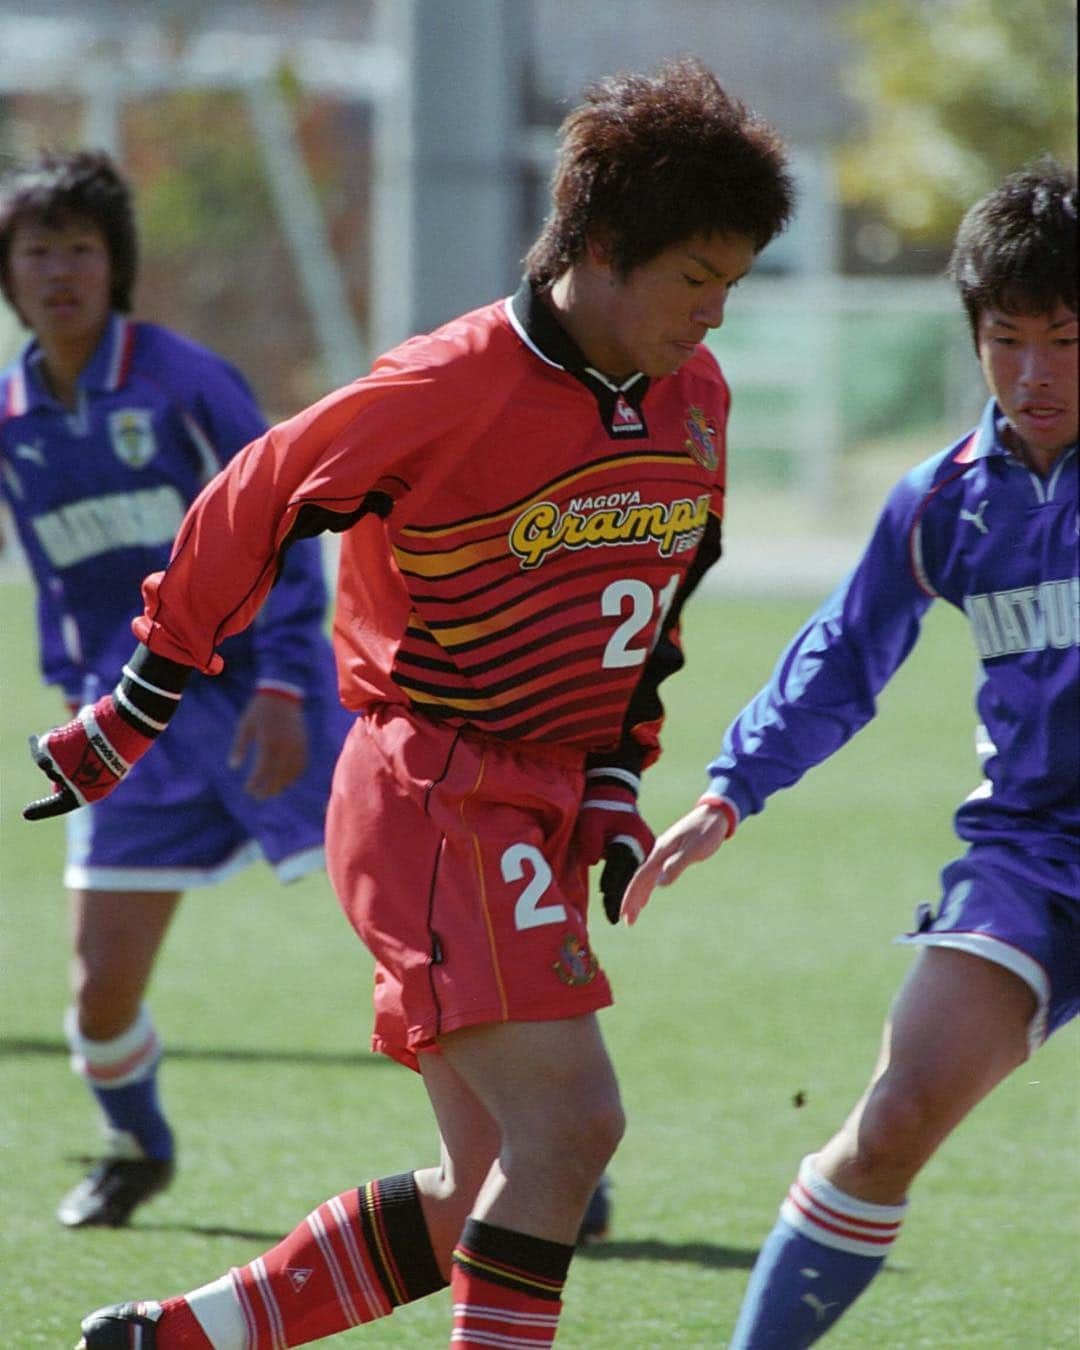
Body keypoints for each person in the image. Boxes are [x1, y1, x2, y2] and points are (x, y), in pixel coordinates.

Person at [22, 60, 795, 1350]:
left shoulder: (694, 401)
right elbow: (254, 497)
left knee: (480, 1190)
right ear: (600, 251)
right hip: (436, 789)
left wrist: (611, 782)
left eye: (731, 283)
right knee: (573, 1132)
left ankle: (183, 1337)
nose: (714, 316)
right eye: (694, 280)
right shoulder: (445, 385)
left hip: (538, 796)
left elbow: (651, 615)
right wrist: (139, 700)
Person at [622, 161, 1078, 1347]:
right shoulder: (947, 500)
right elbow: (842, 655)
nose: (1036, 374)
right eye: (1008, 339)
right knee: (891, 1121)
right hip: (1036, 858)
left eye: (1069, 341)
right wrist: (732, 789)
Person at [0, 150, 352, 1230]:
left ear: (117, 267)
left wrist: (289, 685)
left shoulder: (185, 381)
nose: (61, 271)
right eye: (37, 250)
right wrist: (76, 694)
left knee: (413, 927)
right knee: (98, 991)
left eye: (81, 249)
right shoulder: (13, 415)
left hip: (266, 696)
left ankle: (548, 1140)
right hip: (133, 720)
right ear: (8, 274)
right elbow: (56, 578)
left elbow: (286, 524)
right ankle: (135, 1146)